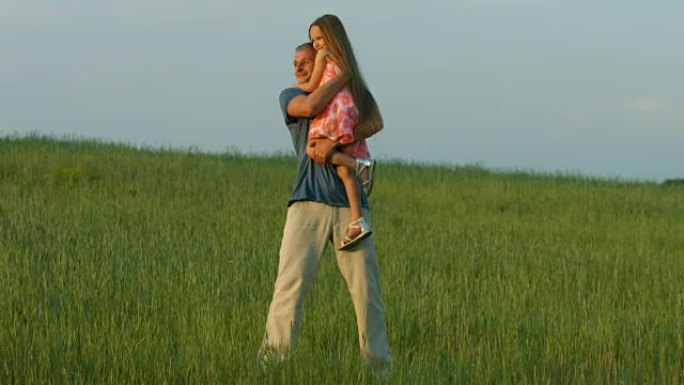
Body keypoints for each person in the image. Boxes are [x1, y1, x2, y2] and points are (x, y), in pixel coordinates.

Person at [257, 40, 392, 375]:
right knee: (289, 288)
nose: (299, 67)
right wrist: (338, 74)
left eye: (307, 60)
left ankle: (379, 372)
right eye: (298, 62)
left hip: (352, 209)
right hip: (307, 205)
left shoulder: (348, 96)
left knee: (367, 295)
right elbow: (311, 104)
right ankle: (272, 367)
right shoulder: (290, 95)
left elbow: (375, 119)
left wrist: (339, 140)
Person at [296, 14, 380, 250]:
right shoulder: (347, 64)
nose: (317, 45)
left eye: (320, 38)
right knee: (344, 171)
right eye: (313, 40)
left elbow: (313, 86)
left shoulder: (325, 56)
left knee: (313, 148)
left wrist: (296, 88)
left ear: (333, 36)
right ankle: (357, 221)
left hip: (335, 112)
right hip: (348, 113)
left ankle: (361, 165)